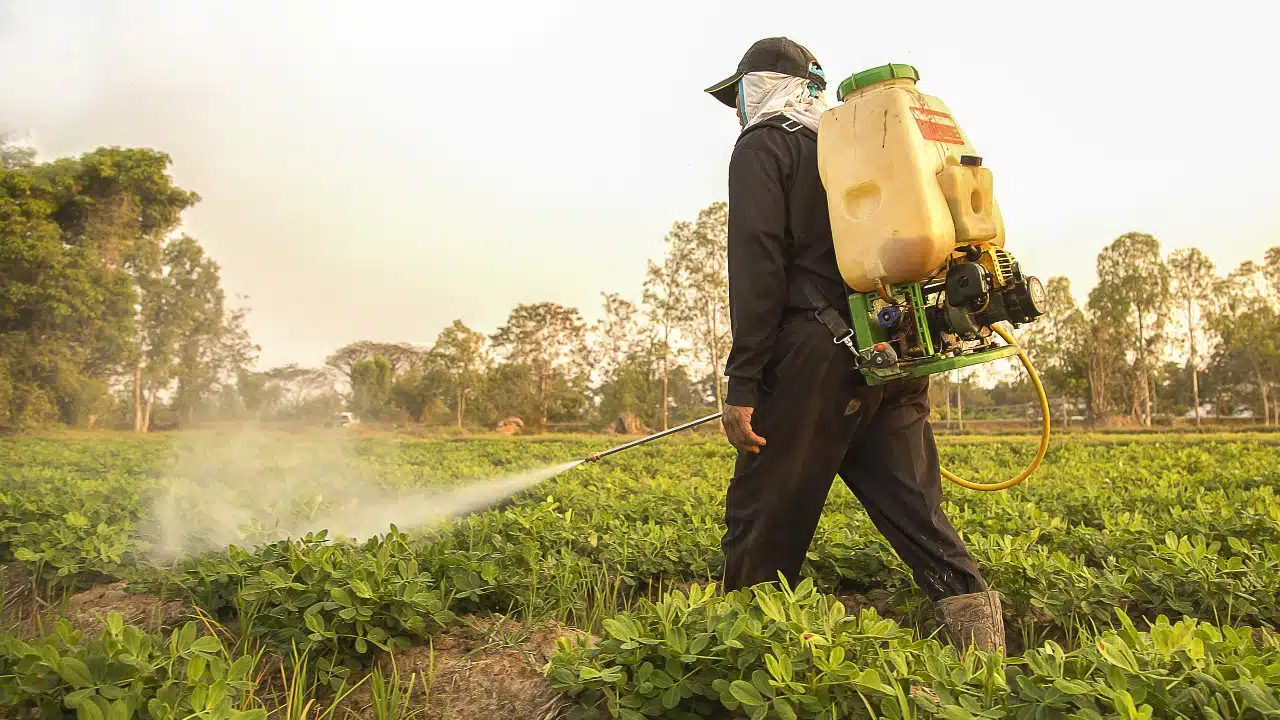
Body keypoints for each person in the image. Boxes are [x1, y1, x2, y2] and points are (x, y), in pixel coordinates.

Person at [703, 37, 1005, 652]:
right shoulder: (859, 148)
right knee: (919, 517)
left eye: (736, 96)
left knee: (762, 520)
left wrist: (743, 385)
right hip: (892, 350)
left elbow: (757, 268)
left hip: (813, 360)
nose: (735, 110)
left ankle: (737, 667)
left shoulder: (766, 144)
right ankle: (987, 662)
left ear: (756, 88)